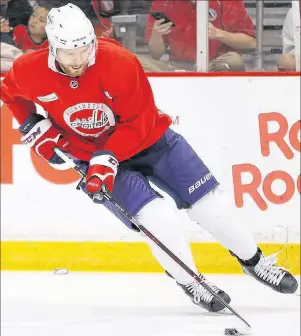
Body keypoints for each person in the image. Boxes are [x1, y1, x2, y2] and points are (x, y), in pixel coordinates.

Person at [1, 3, 298, 313]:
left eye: (84, 49)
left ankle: (255, 261)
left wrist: (108, 156)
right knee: (157, 218)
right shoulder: (29, 70)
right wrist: (33, 124)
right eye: (68, 53)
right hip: (92, 158)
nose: (78, 60)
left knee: (211, 205)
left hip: (152, 141)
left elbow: (139, 121)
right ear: (53, 48)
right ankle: (192, 281)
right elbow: (10, 94)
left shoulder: (119, 62)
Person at [145, 0, 256, 71]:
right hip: (176, 68)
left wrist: (219, 34)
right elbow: (155, 54)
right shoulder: (163, 2)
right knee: (137, 63)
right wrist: (156, 34)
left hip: (215, 66)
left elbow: (250, 42)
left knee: (234, 61)